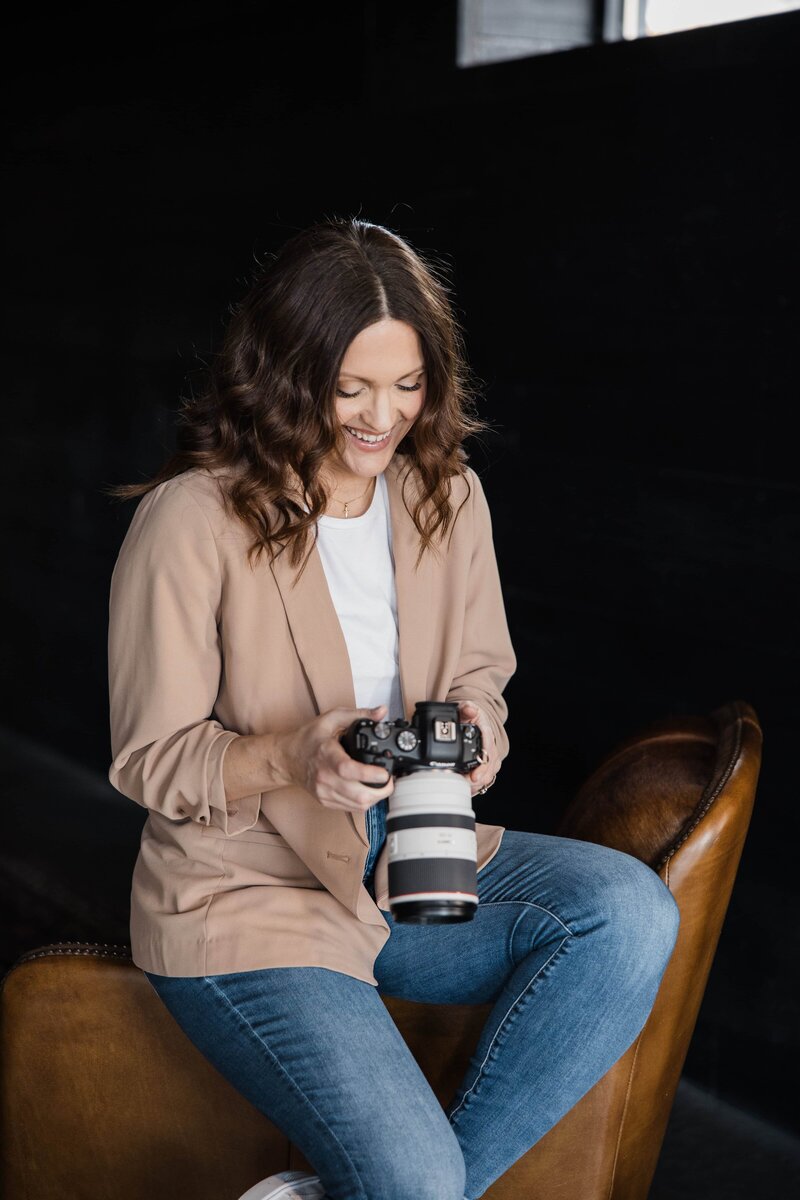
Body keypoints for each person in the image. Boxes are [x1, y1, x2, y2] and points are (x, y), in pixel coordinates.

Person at [106, 217, 680, 1200]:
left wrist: (478, 733)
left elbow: (477, 675)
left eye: (407, 385)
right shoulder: (192, 519)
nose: (383, 417)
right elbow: (148, 757)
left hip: (414, 861)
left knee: (627, 911)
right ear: (289, 375)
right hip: (245, 896)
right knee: (409, 1183)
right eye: (352, 389)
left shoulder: (446, 498)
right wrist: (295, 756)